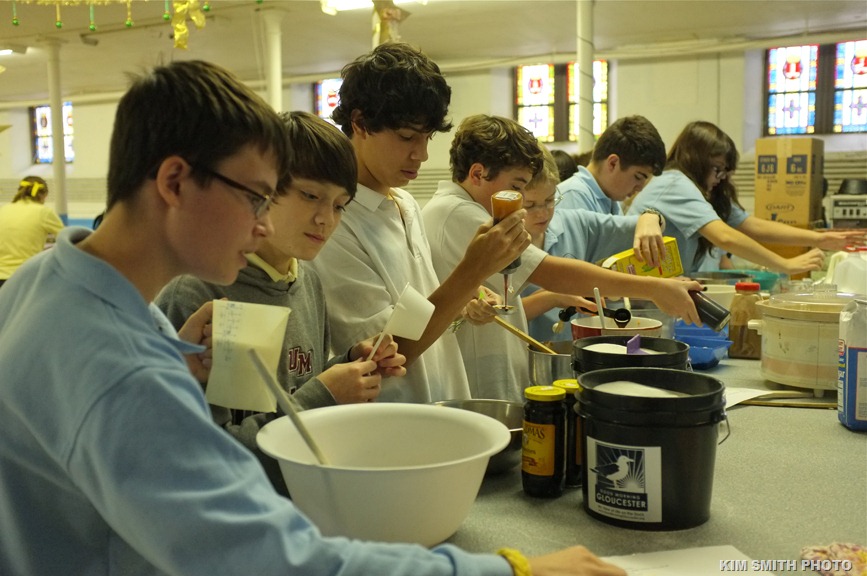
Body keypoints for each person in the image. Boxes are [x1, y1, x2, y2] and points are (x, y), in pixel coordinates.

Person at [0, 59, 627, 576]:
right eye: (256, 196)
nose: (264, 225)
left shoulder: (44, 281)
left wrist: (174, 358)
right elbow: (267, 556)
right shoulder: (121, 369)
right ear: (174, 182)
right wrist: (514, 570)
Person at [155, 111, 406, 495]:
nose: (326, 220)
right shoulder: (199, 293)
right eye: (311, 196)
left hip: (303, 499)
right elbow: (206, 459)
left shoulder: (307, 282)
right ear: (265, 190)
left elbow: (289, 390)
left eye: (340, 205)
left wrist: (349, 365)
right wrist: (324, 396)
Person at [422, 114, 702, 402]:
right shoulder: (459, 212)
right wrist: (654, 288)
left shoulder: (456, 209)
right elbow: (551, 272)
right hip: (477, 377)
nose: (522, 203)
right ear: (478, 174)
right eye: (516, 188)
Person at [310, 42, 531, 404]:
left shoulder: (406, 203)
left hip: (441, 402)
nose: (422, 154)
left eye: (427, 137)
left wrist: (464, 301)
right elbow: (387, 353)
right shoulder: (335, 222)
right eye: (407, 137)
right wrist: (471, 272)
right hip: (394, 419)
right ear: (360, 123)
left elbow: (421, 312)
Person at [627, 121, 865, 276]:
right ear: (696, 160)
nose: (720, 178)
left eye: (724, 171)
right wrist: (785, 264)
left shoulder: (698, 190)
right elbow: (725, 237)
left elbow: (751, 225)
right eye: (717, 169)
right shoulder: (675, 184)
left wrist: (819, 238)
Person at [519, 144, 668, 343]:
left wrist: (650, 218)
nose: (542, 213)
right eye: (529, 205)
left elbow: (642, 225)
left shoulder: (575, 223)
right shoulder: (502, 242)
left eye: (550, 200)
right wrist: (551, 297)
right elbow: (497, 316)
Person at [557, 115, 666, 216]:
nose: (640, 188)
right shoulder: (572, 197)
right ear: (613, 163)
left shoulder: (610, 198)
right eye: (638, 177)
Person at [0, 176, 64, 288]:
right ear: (44, 195)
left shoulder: (3, 210)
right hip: (26, 277)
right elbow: (67, 239)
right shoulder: (44, 212)